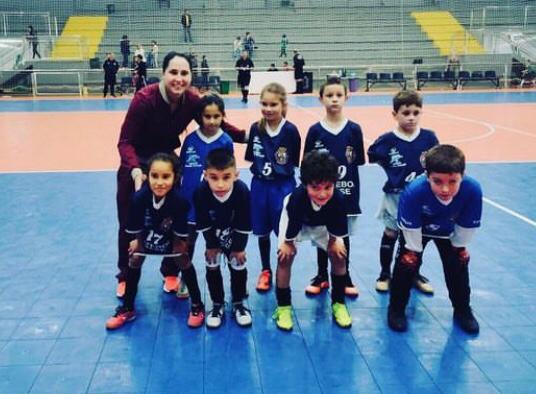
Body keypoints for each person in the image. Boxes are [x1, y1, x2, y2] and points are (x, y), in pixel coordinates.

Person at [115, 51, 246, 299]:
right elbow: (125, 141)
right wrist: (134, 170)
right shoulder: (144, 99)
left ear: (190, 76)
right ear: (163, 74)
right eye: (173, 72)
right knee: (130, 222)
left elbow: (215, 123)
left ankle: (170, 270)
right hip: (137, 166)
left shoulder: (191, 101)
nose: (179, 78)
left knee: (173, 221)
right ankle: (125, 274)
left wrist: (246, 136)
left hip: (167, 165)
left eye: (184, 73)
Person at [387, 144, 482, 334]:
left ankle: (463, 309)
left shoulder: (472, 190)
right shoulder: (414, 191)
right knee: (406, 264)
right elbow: (410, 229)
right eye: (437, 181)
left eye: (453, 181)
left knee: (459, 264)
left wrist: (459, 247)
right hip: (418, 230)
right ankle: (396, 309)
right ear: (427, 176)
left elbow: (466, 227)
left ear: (462, 175)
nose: (445, 189)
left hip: (450, 231)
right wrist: (413, 250)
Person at [105, 153, 205, 330]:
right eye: (154, 176)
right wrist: (137, 241)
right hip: (147, 233)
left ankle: (197, 306)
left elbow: (181, 229)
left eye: (166, 176)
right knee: (135, 258)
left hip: (170, 236)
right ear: (148, 176)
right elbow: (135, 223)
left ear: (175, 177)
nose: (159, 182)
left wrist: (179, 243)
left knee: (183, 259)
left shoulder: (180, 202)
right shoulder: (139, 198)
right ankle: (127, 308)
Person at [367, 90, 439, 294]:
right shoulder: (387, 140)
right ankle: (384, 274)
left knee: (417, 237)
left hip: (421, 198)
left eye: (416, 113)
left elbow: (437, 162)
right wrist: (393, 172)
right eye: (406, 113)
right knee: (391, 233)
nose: (411, 117)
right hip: (395, 195)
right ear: (395, 114)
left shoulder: (428, 138)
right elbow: (373, 155)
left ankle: (414, 273)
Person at [273, 151, 352, 330]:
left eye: (327, 187)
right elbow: (293, 225)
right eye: (315, 187)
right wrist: (288, 243)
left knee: (339, 255)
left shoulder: (338, 200)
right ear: (305, 184)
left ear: (334, 184)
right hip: (297, 221)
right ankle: (283, 307)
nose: (322, 194)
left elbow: (337, 227)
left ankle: (339, 303)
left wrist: (334, 241)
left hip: (322, 223)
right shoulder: (297, 199)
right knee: (285, 257)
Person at [303, 77, 364, 298]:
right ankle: (321, 275)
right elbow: (307, 165)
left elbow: (357, 161)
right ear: (321, 99)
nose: (334, 99)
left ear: (346, 97)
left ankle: (344, 274)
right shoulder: (314, 131)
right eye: (329, 95)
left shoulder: (354, 130)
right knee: (321, 234)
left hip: (346, 192)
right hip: (321, 194)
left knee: (342, 234)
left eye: (339, 95)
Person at [244, 83, 301, 292]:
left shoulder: (291, 131)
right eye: (264, 104)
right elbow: (252, 157)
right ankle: (265, 270)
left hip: (282, 187)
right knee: (261, 230)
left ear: (283, 104)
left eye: (273, 104)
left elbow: (293, 161)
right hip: (259, 186)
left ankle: (280, 270)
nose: (268, 109)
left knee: (284, 233)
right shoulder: (255, 128)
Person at [194, 149, 252, 328]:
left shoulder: (242, 191)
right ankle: (217, 304)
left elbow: (245, 221)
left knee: (238, 264)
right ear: (205, 176)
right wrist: (211, 245)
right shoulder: (200, 193)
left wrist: (239, 248)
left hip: (235, 236)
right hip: (214, 236)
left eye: (226, 177)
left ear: (236, 175)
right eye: (214, 177)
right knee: (212, 263)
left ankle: (238, 303)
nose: (220, 184)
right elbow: (203, 221)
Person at [179, 94, 234, 272]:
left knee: (219, 240)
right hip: (190, 202)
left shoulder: (225, 141)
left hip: (216, 202)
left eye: (216, 116)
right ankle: (185, 277)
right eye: (207, 116)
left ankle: (229, 275)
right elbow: (181, 169)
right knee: (189, 240)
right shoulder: (190, 140)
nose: (212, 121)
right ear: (200, 117)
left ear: (223, 116)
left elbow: (229, 172)